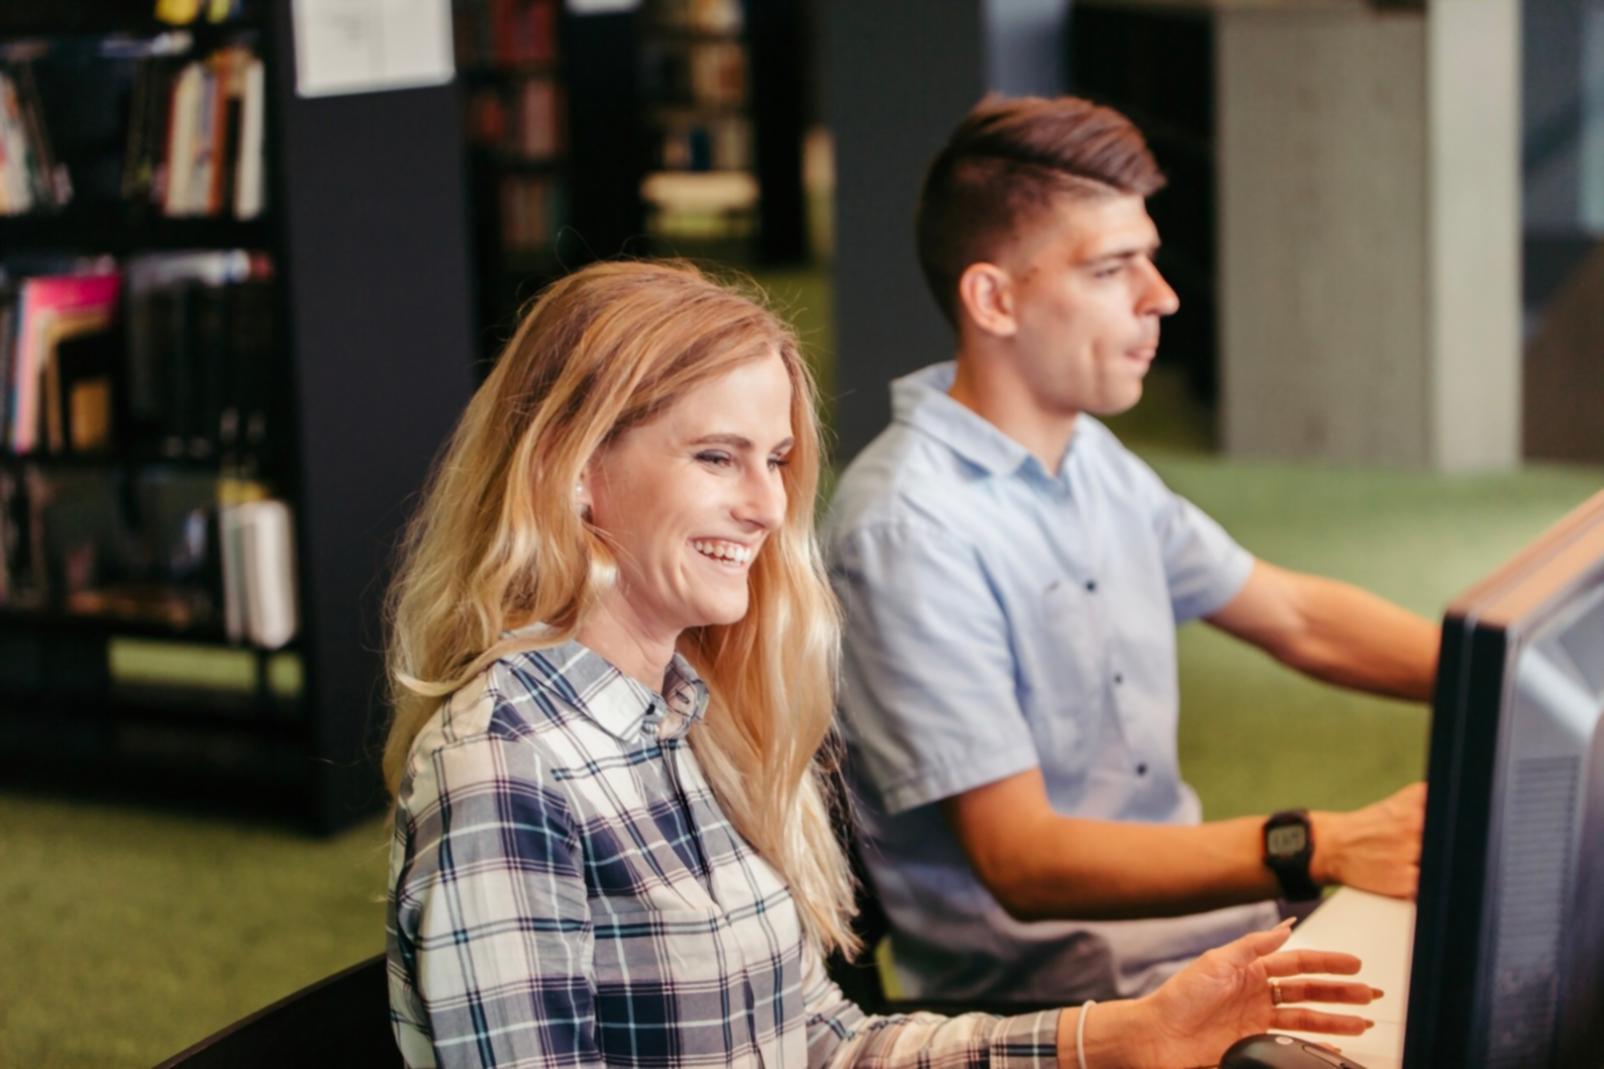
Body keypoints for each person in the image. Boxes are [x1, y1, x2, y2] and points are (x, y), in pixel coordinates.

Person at [382, 259, 1381, 1068]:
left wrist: (1116, 1036)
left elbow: (819, 1042)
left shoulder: (693, 717)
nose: (770, 508)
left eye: (774, 461)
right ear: (576, 468)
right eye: (715, 458)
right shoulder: (506, 763)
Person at [824, 94, 1441, 1007]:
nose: (1163, 297)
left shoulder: (1088, 459)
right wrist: (1318, 842)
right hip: (1074, 999)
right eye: (1115, 269)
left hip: (1212, 935)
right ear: (994, 298)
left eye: (1148, 261)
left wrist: (1508, 677)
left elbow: (1298, 618)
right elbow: (1023, 861)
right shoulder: (910, 531)